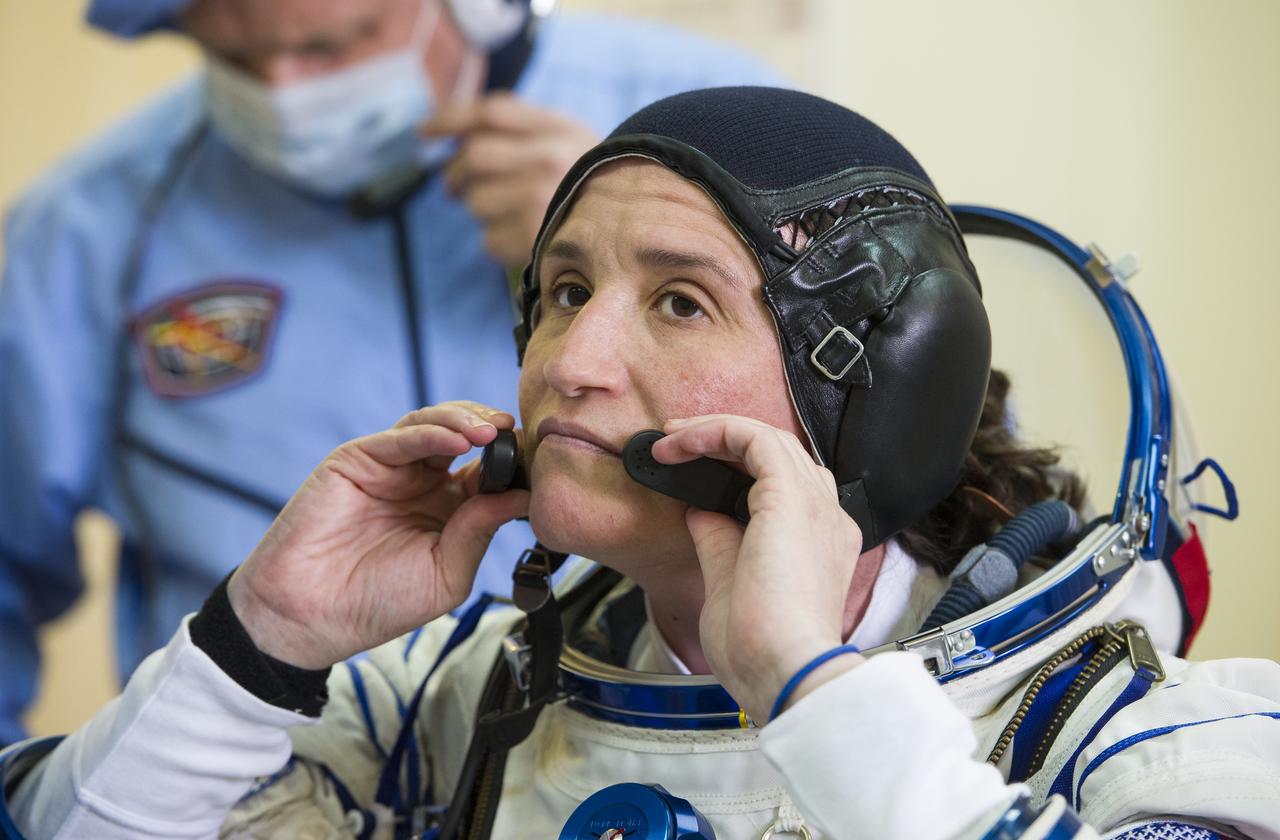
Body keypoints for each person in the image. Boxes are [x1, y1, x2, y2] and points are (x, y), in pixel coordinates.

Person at [4, 87, 1278, 839]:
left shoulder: (1124, 731)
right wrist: (261, 641)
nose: (571, 358)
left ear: (876, 397)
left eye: (677, 302)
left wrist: (813, 690)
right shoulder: (454, 711)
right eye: (562, 290)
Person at [0, 0, 782, 746]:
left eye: (332, 44)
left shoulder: (720, 114)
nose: (286, 92)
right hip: (249, 778)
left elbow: (855, 431)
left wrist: (609, 238)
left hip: (639, 763)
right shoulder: (92, 225)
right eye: (237, 57)